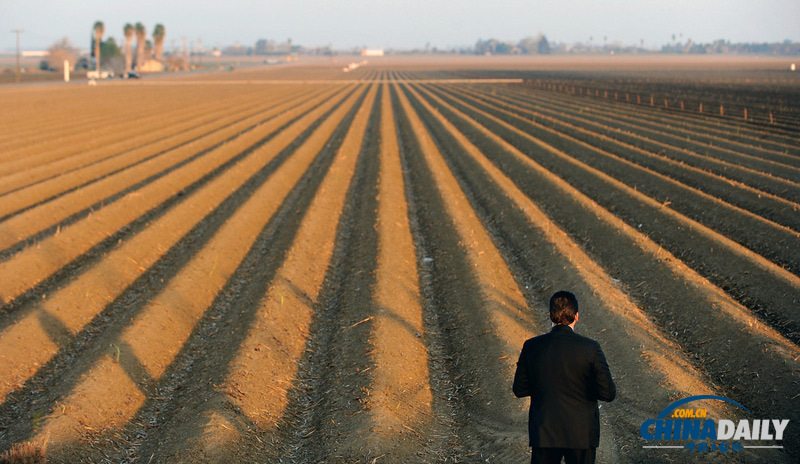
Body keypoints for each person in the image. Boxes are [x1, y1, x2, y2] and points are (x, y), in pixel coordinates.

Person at [513, 290, 616, 464]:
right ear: (576, 316)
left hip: (544, 432)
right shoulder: (590, 348)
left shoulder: (532, 346)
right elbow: (608, 393)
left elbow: (519, 389)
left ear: (550, 316)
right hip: (581, 434)